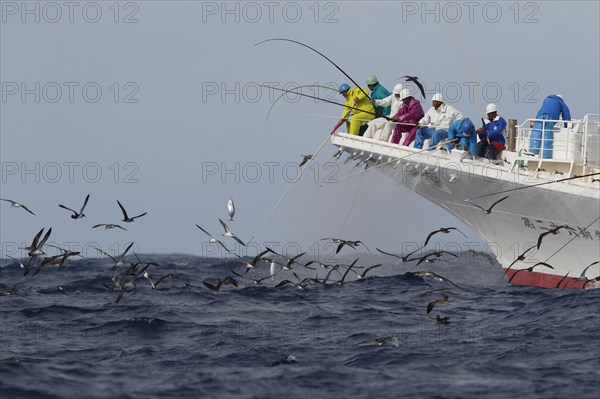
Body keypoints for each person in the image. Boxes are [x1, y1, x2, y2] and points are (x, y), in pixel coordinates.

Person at [530, 94, 571, 158]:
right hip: (550, 117)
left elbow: (542, 108)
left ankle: (533, 152)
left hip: (540, 115)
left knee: (536, 132)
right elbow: (566, 116)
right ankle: (545, 156)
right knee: (547, 135)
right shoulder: (561, 103)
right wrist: (567, 127)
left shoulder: (547, 99)